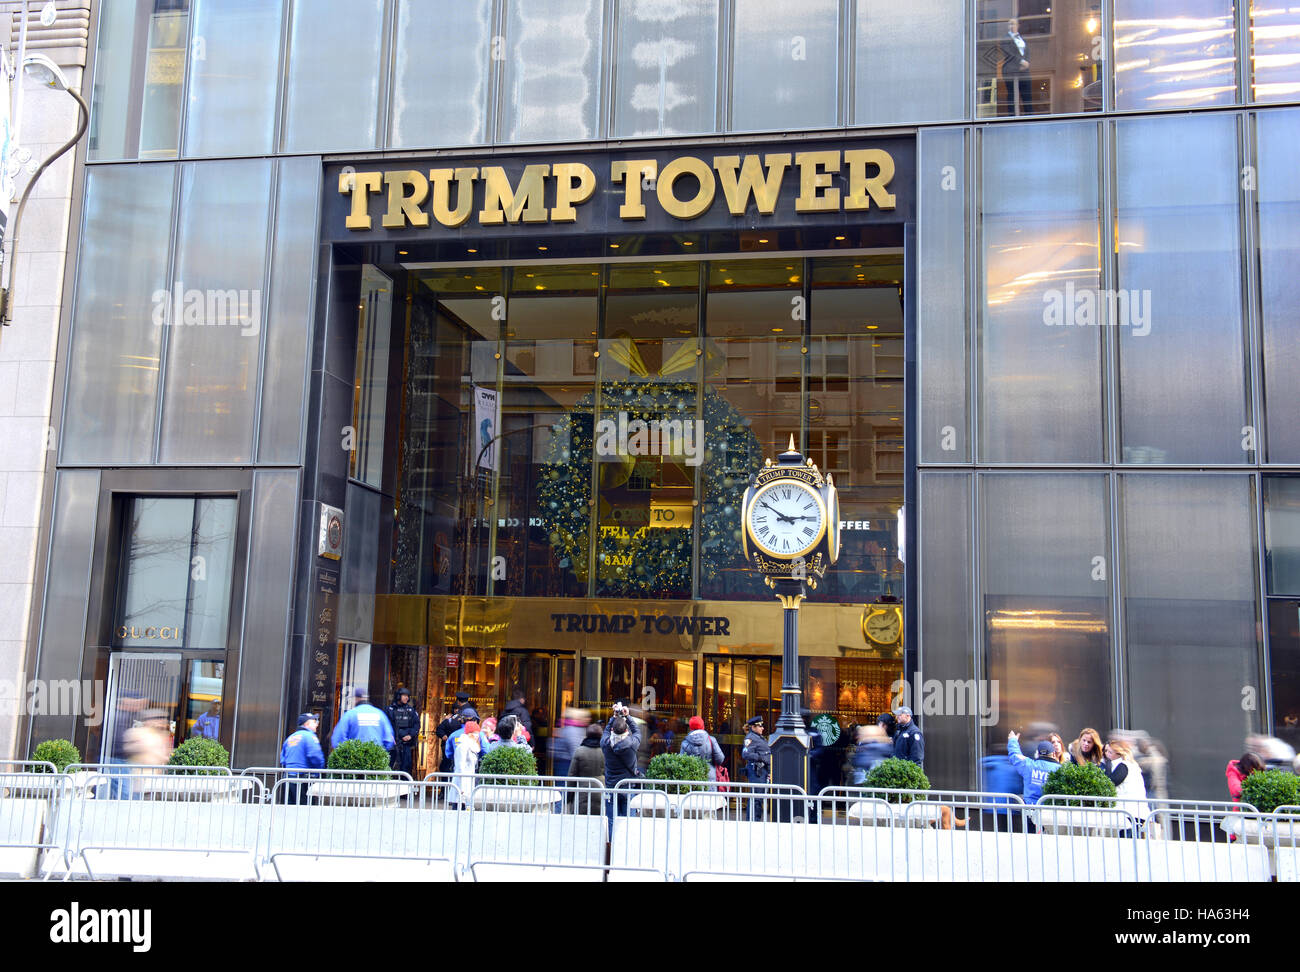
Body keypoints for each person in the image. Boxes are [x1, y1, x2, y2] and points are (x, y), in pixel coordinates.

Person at [601, 703, 642, 825]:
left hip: (611, 786)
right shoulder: (632, 744)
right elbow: (637, 731)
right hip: (628, 786)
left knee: (612, 819)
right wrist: (628, 717)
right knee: (628, 820)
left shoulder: (605, 744)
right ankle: (626, 843)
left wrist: (613, 717)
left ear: (613, 730)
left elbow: (606, 731)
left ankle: (613, 842)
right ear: (626, 730)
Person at [1102, 737, 1150, 833]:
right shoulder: (1132, 765)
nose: (1106, 754)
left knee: (1127, 842)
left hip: (1129, 813)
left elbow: (1111, 782)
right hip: (1134, 812)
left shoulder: (1123, 766)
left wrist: (1107, 766)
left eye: (1109, 752)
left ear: (1118, 753)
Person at [105, 692, 146, 799]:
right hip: (116, 759)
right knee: (125, 793)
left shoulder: (127, 716)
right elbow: (120, 740)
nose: (140, 706)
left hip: (120, 759)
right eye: (138, 703)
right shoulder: (119, 716)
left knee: (125, 790)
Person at [330, 687, 395, 752]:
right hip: (376, 759)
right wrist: (380, 753)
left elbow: (338, 739)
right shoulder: (380, 714)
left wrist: (346, 754)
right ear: (367, 698)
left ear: (355, 698)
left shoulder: (350, 714)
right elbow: (389, 739)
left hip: (354, 758)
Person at [279, 713, 325, 804]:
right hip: (303, 781)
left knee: (290, 809)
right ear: (306, 724)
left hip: (288, 779)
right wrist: (319, 772)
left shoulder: (290, 738)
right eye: (314, 721)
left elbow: (283, 760)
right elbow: (316, 758)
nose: (317, 724)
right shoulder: (310, 737)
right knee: (304, 811)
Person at [1007, 731, 1059, 807]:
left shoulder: (1029, 765)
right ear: (1054, 754)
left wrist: (1013, 740)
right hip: (1051, 813)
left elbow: (1015, 755)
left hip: (1030, 811)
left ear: (1038, 754)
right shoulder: (1059, 769)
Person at [568, 723, 606, 815]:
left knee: (580, 820)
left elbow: (572, 774)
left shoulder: (580, 751)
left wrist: (569, 795)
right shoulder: (604, 751)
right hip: (600, 789)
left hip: (582, 791)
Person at [998, 17, 1032, 115]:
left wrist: (1027, 62)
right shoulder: (1005, 39)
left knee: (1027, 95)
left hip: (1024, 71)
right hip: (1011, 70)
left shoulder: (1022, 38)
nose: (1012, 26)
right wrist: (1021, 62)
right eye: (1010, 24)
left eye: (1013, 24)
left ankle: (1030, 116)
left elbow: (1027, 52)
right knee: (1012, 94)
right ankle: (1012, 116)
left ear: (1018, 26)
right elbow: (1009, 53)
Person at [385, 686, 420, 776]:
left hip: (406, 744)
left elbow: (416, 725)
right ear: (398, 696)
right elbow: (388, 726)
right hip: (393, 744)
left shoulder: (411, 710)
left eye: (408, 696)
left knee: (406, 767)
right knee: (389, 766)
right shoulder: (390, 710)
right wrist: (399, 735)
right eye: (404, 695)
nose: (406, 698)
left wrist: (410, 735)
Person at [680, 715, 725, 782]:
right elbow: (720, 759)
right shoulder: (711, 740)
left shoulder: (685, 743)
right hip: (710, 778)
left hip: (692, 778)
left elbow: (682, 762)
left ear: (690, 727)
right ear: (702, 726)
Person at [435, 693, 471, 775]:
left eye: (458, 709)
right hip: (448, 746)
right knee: (447, 766)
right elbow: (439, 729)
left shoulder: (457, 720)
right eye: (455, 709)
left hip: (458, 747)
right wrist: (443, 735)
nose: (456, 711)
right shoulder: (449, 719)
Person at [451, 719, 483, 808]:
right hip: (462, 783)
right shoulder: (463, 746)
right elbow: (460, 766)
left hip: (468, 781)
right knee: (459, 805)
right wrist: (461, 788)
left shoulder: (471, 746)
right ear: (470, 733)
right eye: (475, 733)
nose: (477, 736)